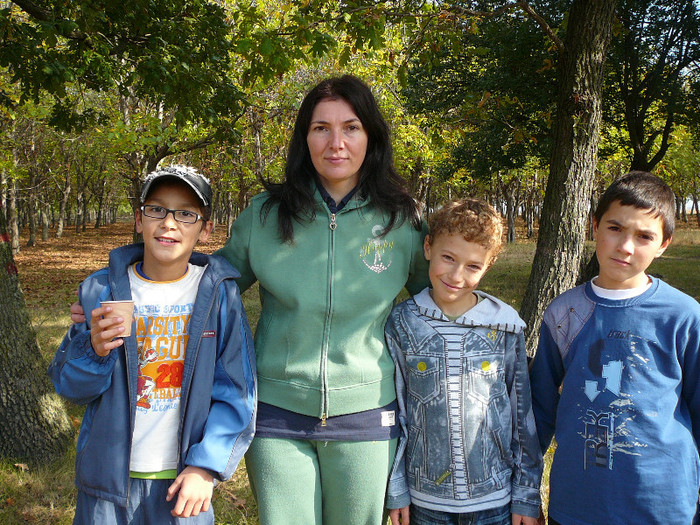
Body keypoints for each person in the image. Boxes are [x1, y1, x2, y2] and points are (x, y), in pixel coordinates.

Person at [52, 165, 256, 524]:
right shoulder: (102, 291)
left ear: (206, 229)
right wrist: (94, 351)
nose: (169, 223)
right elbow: (71, 386)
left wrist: (205, 466)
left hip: (184, 483)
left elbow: (237, 390)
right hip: (108, 483)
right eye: (157, 209)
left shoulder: (219, 295)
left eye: (186, 214)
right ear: (138, 219)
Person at [529, 171, 700, 525]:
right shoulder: (564, 312)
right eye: (615, 228)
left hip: (663, 505)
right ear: (594, 226)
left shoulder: (683, 315)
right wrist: (524, 492)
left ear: (664, 244)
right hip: (578, 505)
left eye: (644, 236)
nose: (625, 247)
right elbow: (540, 411)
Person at [385, 198, 543, 525]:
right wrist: (397, 487)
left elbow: (521, 416)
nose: (457, 275)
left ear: (489, 265)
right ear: (428, 247)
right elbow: (394, 410)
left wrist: (526, 495)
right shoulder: (402, 323)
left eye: (473, 266)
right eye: (448, 257)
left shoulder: (504, 327)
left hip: (494, 502)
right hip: (425, 503)